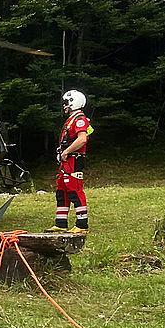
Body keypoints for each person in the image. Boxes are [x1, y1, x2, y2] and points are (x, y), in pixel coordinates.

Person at [55, 89, 93, 231]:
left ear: (73, 102)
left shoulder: (80, 120)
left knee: (74, 190)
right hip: (66, 161)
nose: (64, 106)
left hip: (73, 160)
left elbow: (82, 139)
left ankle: (82, 224)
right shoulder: (71, 120)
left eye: (66, 103)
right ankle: (61, 223)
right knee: (62, 191)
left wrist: (67, 151)